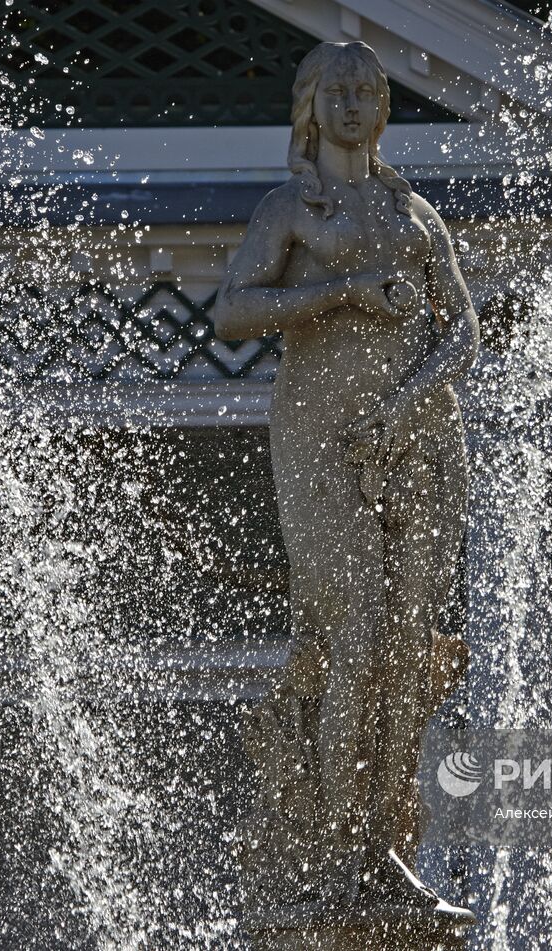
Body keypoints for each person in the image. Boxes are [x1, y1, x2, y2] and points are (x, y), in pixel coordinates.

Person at [213, 40, 478, 908]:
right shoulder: (291, 207)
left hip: (418, 445)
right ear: (311, 107)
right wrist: (342, 291)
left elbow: (464, 334)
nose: (357, 103)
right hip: (322, 441)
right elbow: (234, 313)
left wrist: (405, 412)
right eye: (339, 91)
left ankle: (383, 843)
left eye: (369, 90)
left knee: (407, 652)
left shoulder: (418, 214)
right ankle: (333, 847)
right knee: (355, 634)